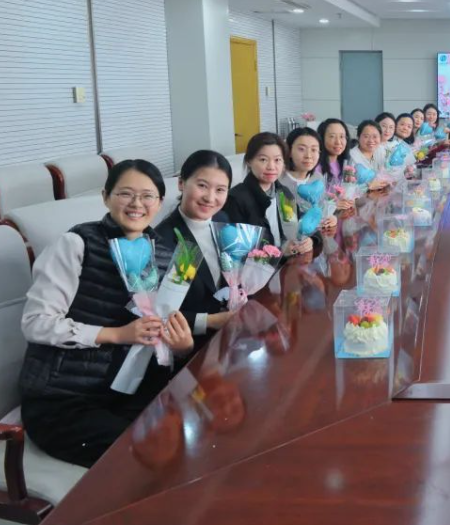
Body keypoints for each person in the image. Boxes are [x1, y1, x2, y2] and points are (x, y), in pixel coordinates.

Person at [19, 160, 194, 467]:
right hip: (63, 399)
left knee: (195, 434)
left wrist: (180, 348)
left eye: (148, 196)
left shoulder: (167, 256)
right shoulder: (76, 244)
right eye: (125, 194)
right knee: (148, 458)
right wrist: (117, 334)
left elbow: (157, 332)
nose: (137, 204)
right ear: (105, 197)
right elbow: (36, 323)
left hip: (128, 392)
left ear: (160, 202)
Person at [154, 151, 235, 348]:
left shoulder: (222, 220)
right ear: (181, 183)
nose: (210, 198)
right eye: (202, 186)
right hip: (190, 346)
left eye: (220, 190)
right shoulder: (164, 240)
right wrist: (210, 321)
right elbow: (158, 312)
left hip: (229, 336)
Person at [223, 132, 312, 256]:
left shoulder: (283, 192)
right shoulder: (235, 199)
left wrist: (309, 240)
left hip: (288, 263)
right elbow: (237, 253)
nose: (271, 166)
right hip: (261, 267)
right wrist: (279, 253)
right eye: (263, 160)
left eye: (277, 160)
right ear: (249, 161)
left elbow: (299, 224)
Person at [279, 128, 337, 235]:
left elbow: (320, 207)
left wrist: (330, 218)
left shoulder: (317, 178)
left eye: (314, 150)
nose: (308, 155)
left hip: (314, 238)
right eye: (301, 149)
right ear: (289, 151)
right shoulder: (279, 180)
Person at [316, 118, 356, 214]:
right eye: (332, 136)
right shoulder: (316, 167)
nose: (338, 142)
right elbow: (312, 202)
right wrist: (332, 205)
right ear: (321, 138)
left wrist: (350, 200)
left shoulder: (346, 163)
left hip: (342, 216)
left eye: (342, 136)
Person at [348, 120, 391, 191]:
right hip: (360, 197)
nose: (371, 140)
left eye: (375, 136)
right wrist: (367, 186)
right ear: (358, 137)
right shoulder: (351, 157)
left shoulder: (382, 150)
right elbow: (346, 188)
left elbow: (390, 171)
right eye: (366, 136)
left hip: (381, 194)